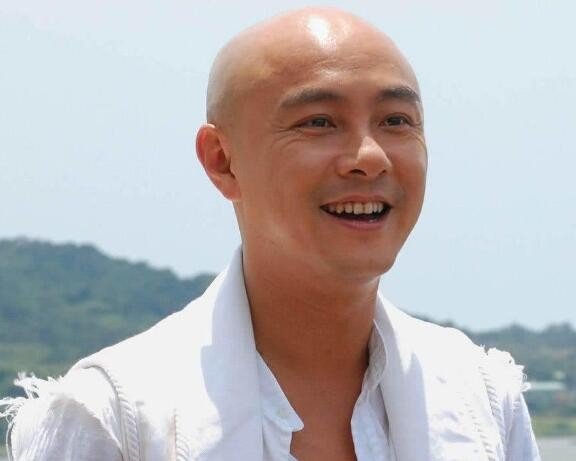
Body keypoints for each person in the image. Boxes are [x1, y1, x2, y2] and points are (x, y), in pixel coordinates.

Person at [0, 7, 541, 461]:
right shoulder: (116, 416)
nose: (370, 156)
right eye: (319, 122)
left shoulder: (481, 400)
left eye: (396, 120)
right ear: (222, 160)